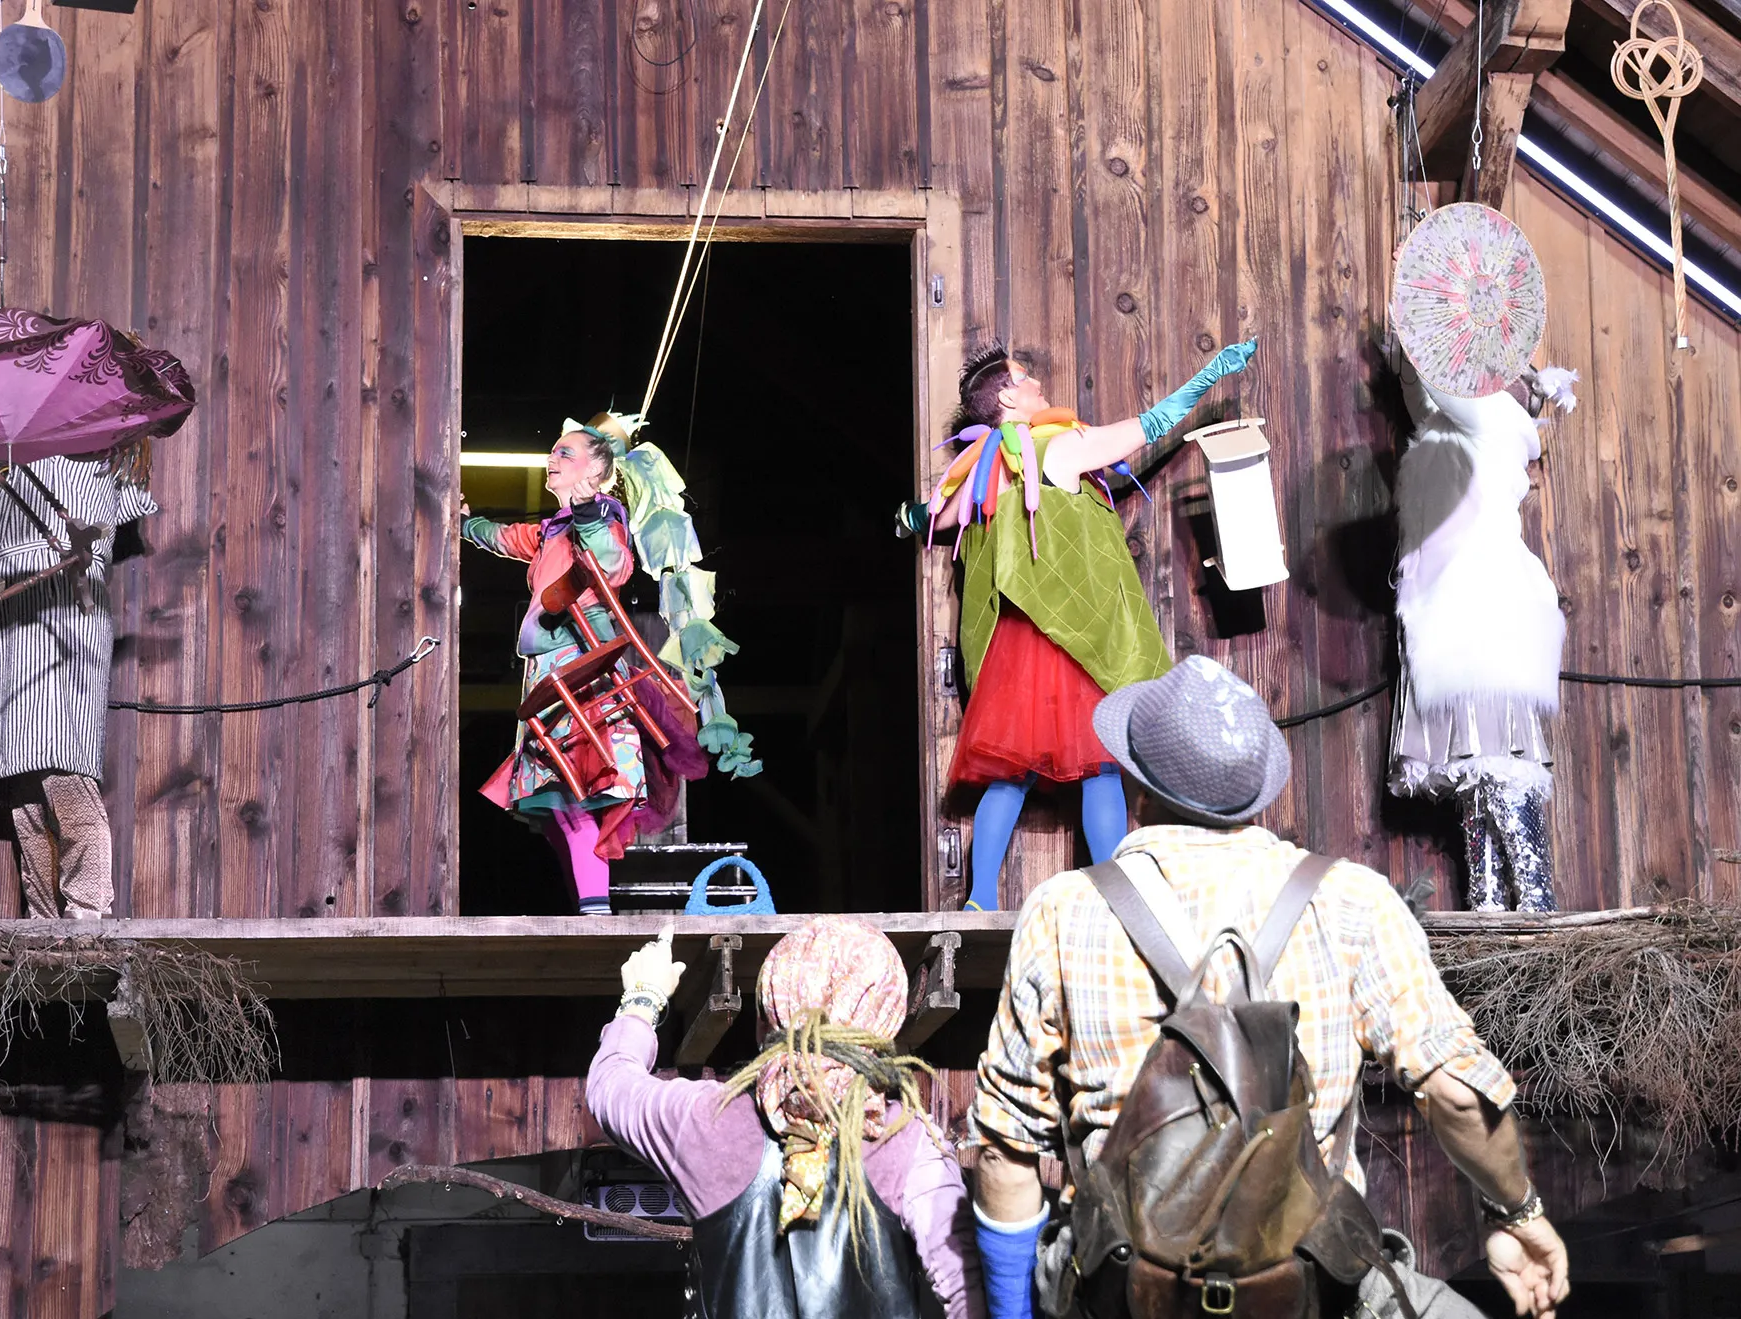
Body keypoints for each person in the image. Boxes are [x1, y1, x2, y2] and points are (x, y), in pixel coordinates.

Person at [969, 655, 1571, 1319]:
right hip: (1308, 1292)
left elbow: (1003, 1150)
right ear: (1258, 793)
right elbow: (1457, 1093)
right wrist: (1519, 1213)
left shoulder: (1064, 910)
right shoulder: (1352, 901)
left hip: (1127, 1294)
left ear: (1137, 785)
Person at [898, 343, 1254, 910]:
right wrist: (1212, 372)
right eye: (1024, 378)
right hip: (1072, 638)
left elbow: (931, 517)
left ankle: (980, 898)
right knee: (1101, 769)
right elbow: (1151, 424)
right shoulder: (1057, 448)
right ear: (1007, 398)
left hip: (1015, 642)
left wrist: (906, 516)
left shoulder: (987, 468)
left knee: (1010, 776)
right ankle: (1117, 896)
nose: (1037, 383)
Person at [587, 915, 983, 1317]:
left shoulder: (709, 1120)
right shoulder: (910, 1142)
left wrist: (643, 997)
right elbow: (969, 1297)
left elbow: (610, 1086)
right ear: (886, 1024)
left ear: (764, 1023)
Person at [0, 232, 154, 919]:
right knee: (24, 791)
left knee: (63, 777)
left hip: (57, 636)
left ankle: (87, 914)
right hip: (13, 636)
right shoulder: (41, 456)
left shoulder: (88, 468)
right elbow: (12, 374)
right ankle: (46, 926)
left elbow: (8, 364)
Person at [462, 412, 755, 915]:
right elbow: (505, 536)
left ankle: (594, 909)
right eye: (552, 451)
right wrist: (467, 524)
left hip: (581, 670)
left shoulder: (603, 516)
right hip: (548, 672)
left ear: (595, 472)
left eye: (565, 452)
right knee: (554, 805)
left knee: (573, 795)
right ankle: (589, 904)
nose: (552, 459)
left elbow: (615, 564)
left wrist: (588, 517)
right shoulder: (551, 531)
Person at [1390, 362, 1574, 912]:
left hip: (1485, 611)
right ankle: (1488, 904)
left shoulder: (1492, 418)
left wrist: (1421, 341)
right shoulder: (1457, 429)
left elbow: (1439, 384)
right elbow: (1422, 396)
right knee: (1475, 766)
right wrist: (1405, 357)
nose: (1489, 374)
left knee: (1498, 759)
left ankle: (1536, 902)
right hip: (1456, 612)